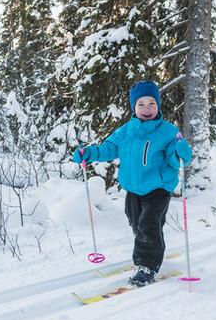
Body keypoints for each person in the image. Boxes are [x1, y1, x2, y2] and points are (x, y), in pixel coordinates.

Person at [72, 80, 192, 287]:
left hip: (158, 188)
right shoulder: (126, 131)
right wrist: (89, 153)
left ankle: (146, 265)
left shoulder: (168, 132)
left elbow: (176, 158)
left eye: (151, 103)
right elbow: (108, 148)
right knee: (137, 223)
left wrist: (181, 152)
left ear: (159, 105)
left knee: (148, 225)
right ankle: (151, 246)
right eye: (141, 104)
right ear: (134, 107)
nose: (147, 108)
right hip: (133, 188)